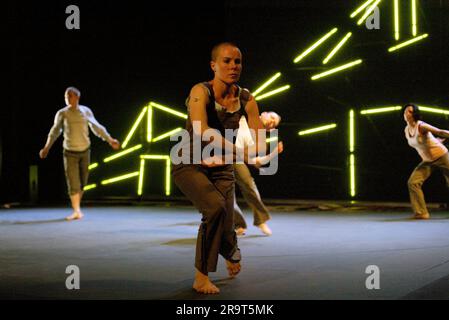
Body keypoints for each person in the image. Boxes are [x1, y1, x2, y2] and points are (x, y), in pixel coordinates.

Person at [171, 42, 267, 294]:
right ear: (213, 65)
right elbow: (201, 129)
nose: (233, 66)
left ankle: (228, 248)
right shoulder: (200, 91)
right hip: (189, 162)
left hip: (222, 165)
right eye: (226, 61)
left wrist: (262, 145)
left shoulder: (246, 98)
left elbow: (258, 142)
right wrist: (236, 151)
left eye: (238, 62)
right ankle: (201, 277)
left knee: (226, 218)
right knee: (214, 209)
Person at [39, 87, 120, 220]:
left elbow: (96, 127)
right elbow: (54, 132)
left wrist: (110, 140)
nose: (67, 99)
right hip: (69, 151)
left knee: (83, 181)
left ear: (77, 97)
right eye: (66, 96)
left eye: (70, 96)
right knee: (73, 182)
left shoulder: (85, 111)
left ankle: (77, 208)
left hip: (84, 151)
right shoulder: (62, 113)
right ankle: (76, 210)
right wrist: (46, 148)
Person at [233, 111, 283, 236]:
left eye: (274, 123)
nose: (272, 121)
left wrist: (274, 153)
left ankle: (260, 220)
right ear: (263, 113)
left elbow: (255, 162)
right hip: (219, 151)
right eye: (272, 117)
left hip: (234, 158)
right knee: (225, 194)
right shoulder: (244, 117)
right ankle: (238, 223)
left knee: (249, 185)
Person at [402, 103, 449, 219]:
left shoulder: (421, 126)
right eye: (405, 111)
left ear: (414, 114)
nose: (405, 113)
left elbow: (440, 132)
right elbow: (423, 143)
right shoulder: (406, 130)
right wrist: (435, 141)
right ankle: (421, 213)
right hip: (427, 161)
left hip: (442, 156)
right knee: (413, 183)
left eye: (409, 111)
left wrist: (439, 139)